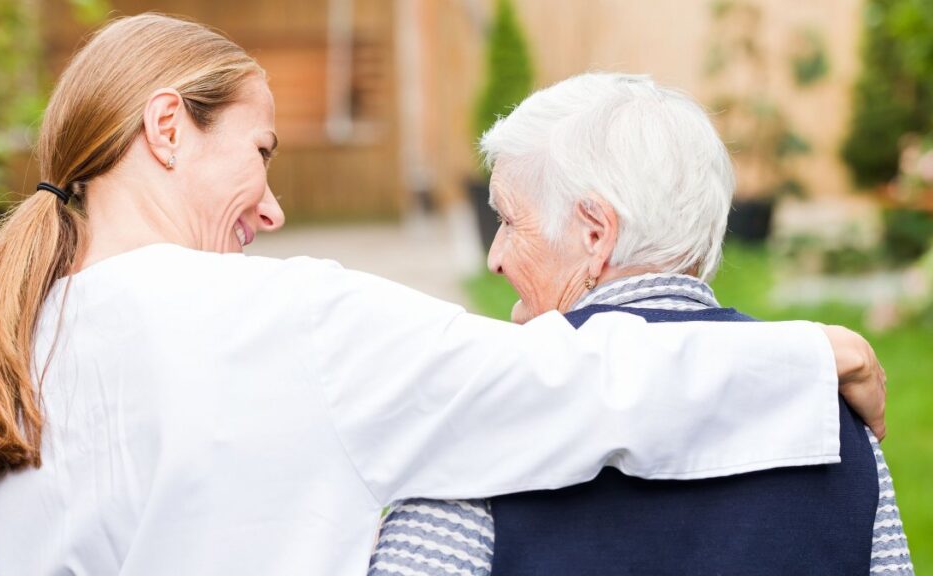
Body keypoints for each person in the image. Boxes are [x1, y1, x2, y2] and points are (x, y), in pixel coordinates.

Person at [0, 15, 885, 576]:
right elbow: (572, 380)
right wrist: (812, 354)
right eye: (260, 152)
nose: (273, 208)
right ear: (168, 129)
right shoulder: (285, 322)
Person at [369, 73, 911, 576]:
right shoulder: (828, 406)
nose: (495, 258)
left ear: (595, 233)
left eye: (508, 220)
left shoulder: (487, 411)